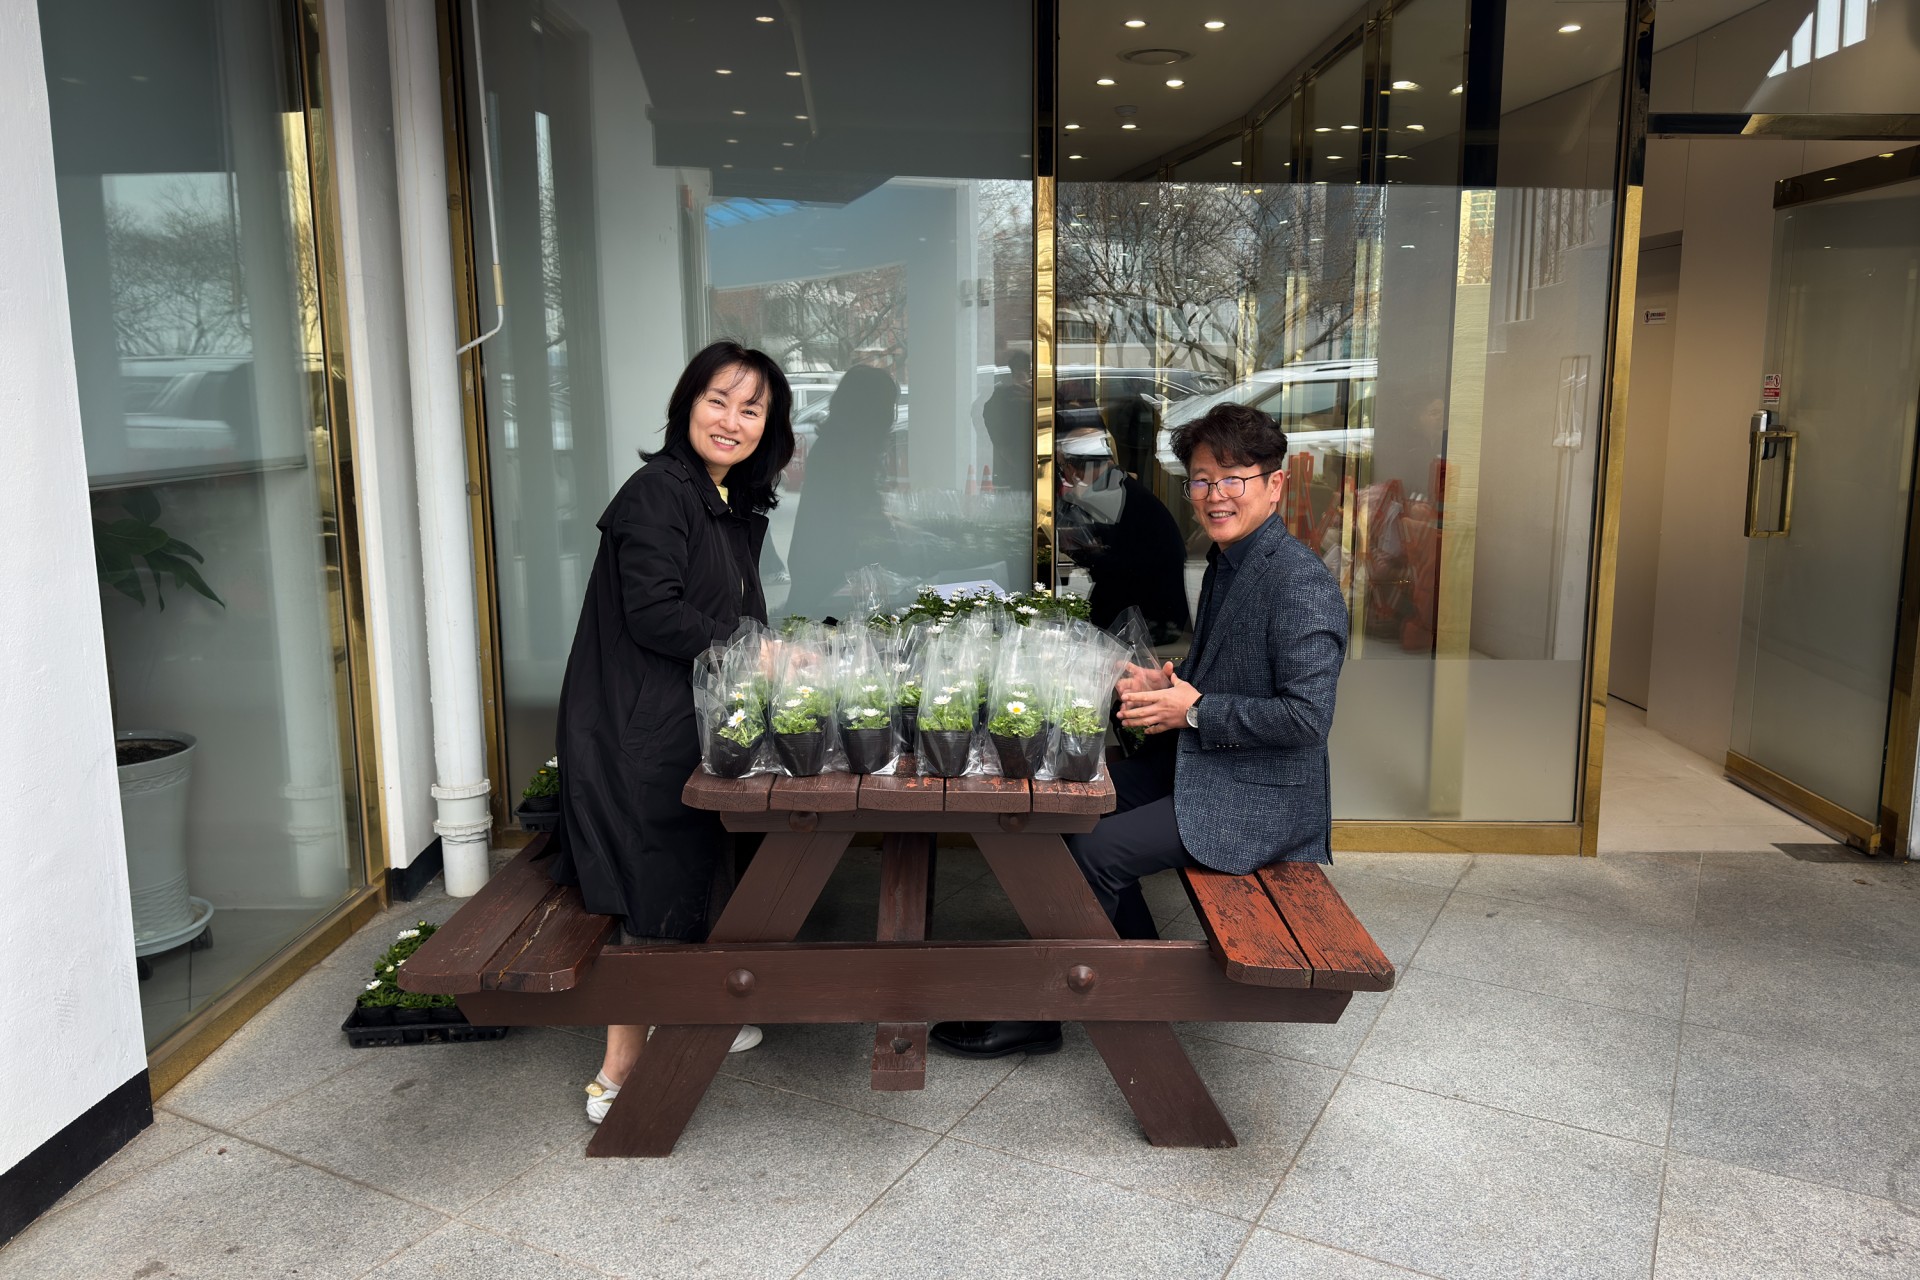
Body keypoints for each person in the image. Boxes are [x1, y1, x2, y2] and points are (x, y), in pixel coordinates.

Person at [930, 402, 1348, 1059]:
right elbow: (1232, 680)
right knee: (1068, 805)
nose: (1215, 495)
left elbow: (1306, 717)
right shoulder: (1234, 559)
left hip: (1258, 797)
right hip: (1210, 764)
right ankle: (1143, 969)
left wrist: (1194, 709)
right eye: (1202, 480)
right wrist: (1166, 684)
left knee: (1094, 852)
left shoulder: (1299, 583)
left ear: (1276, 484)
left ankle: (1054, 1010)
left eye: (1233, 478)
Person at [545, 340, 795, 1120]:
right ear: (687, 405)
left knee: (706, 863)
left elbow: (725, 608)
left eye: (750, 409)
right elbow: (654, 613)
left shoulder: (724, 499)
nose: (731, 420)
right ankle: (621, 1071)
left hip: (684, 717)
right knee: (654, 883)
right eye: (717, 400)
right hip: (638, 728)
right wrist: (754, 651)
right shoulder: (658, 493)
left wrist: (766, 651)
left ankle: (699, 1005)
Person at [784, 365, 900, 617]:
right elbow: (850, 514)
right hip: (829, 573)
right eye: (888, 406)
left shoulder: (841, 445)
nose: (892, 415)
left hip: (823, 566)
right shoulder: (840, 452)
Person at [1055, 424, 1191, 637]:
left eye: (1062, 466)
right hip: (1155, 611)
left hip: (1149, 621)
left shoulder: (1110, 495)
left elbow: (1118, 568)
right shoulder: (1120, 487)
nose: (1064, 474)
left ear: (1072, 467)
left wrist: (1085, 552)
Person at [982, 349, 1034, 492]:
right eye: (1016, 371)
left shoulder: (1039, 396)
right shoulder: (1000, 397)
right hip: (1012, 463)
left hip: (1024, 460)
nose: (1021, 377)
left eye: (1025, 371)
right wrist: (1003, 449)